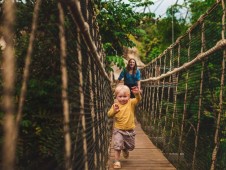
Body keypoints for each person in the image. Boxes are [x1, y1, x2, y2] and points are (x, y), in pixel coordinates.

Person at [107, 85, 142, 169]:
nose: (122, 99)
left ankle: (125, 149)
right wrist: (114, 111)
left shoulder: (131, 102)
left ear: (129, 96)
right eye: (120, 96)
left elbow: (138, 99)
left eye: (125, 96)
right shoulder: (115, 105)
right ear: (116, 97)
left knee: (131, 146)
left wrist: (137, 94)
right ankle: (117, 161)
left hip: (129, 130)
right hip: (118, 129)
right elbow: (109, 115)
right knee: (117, 145)